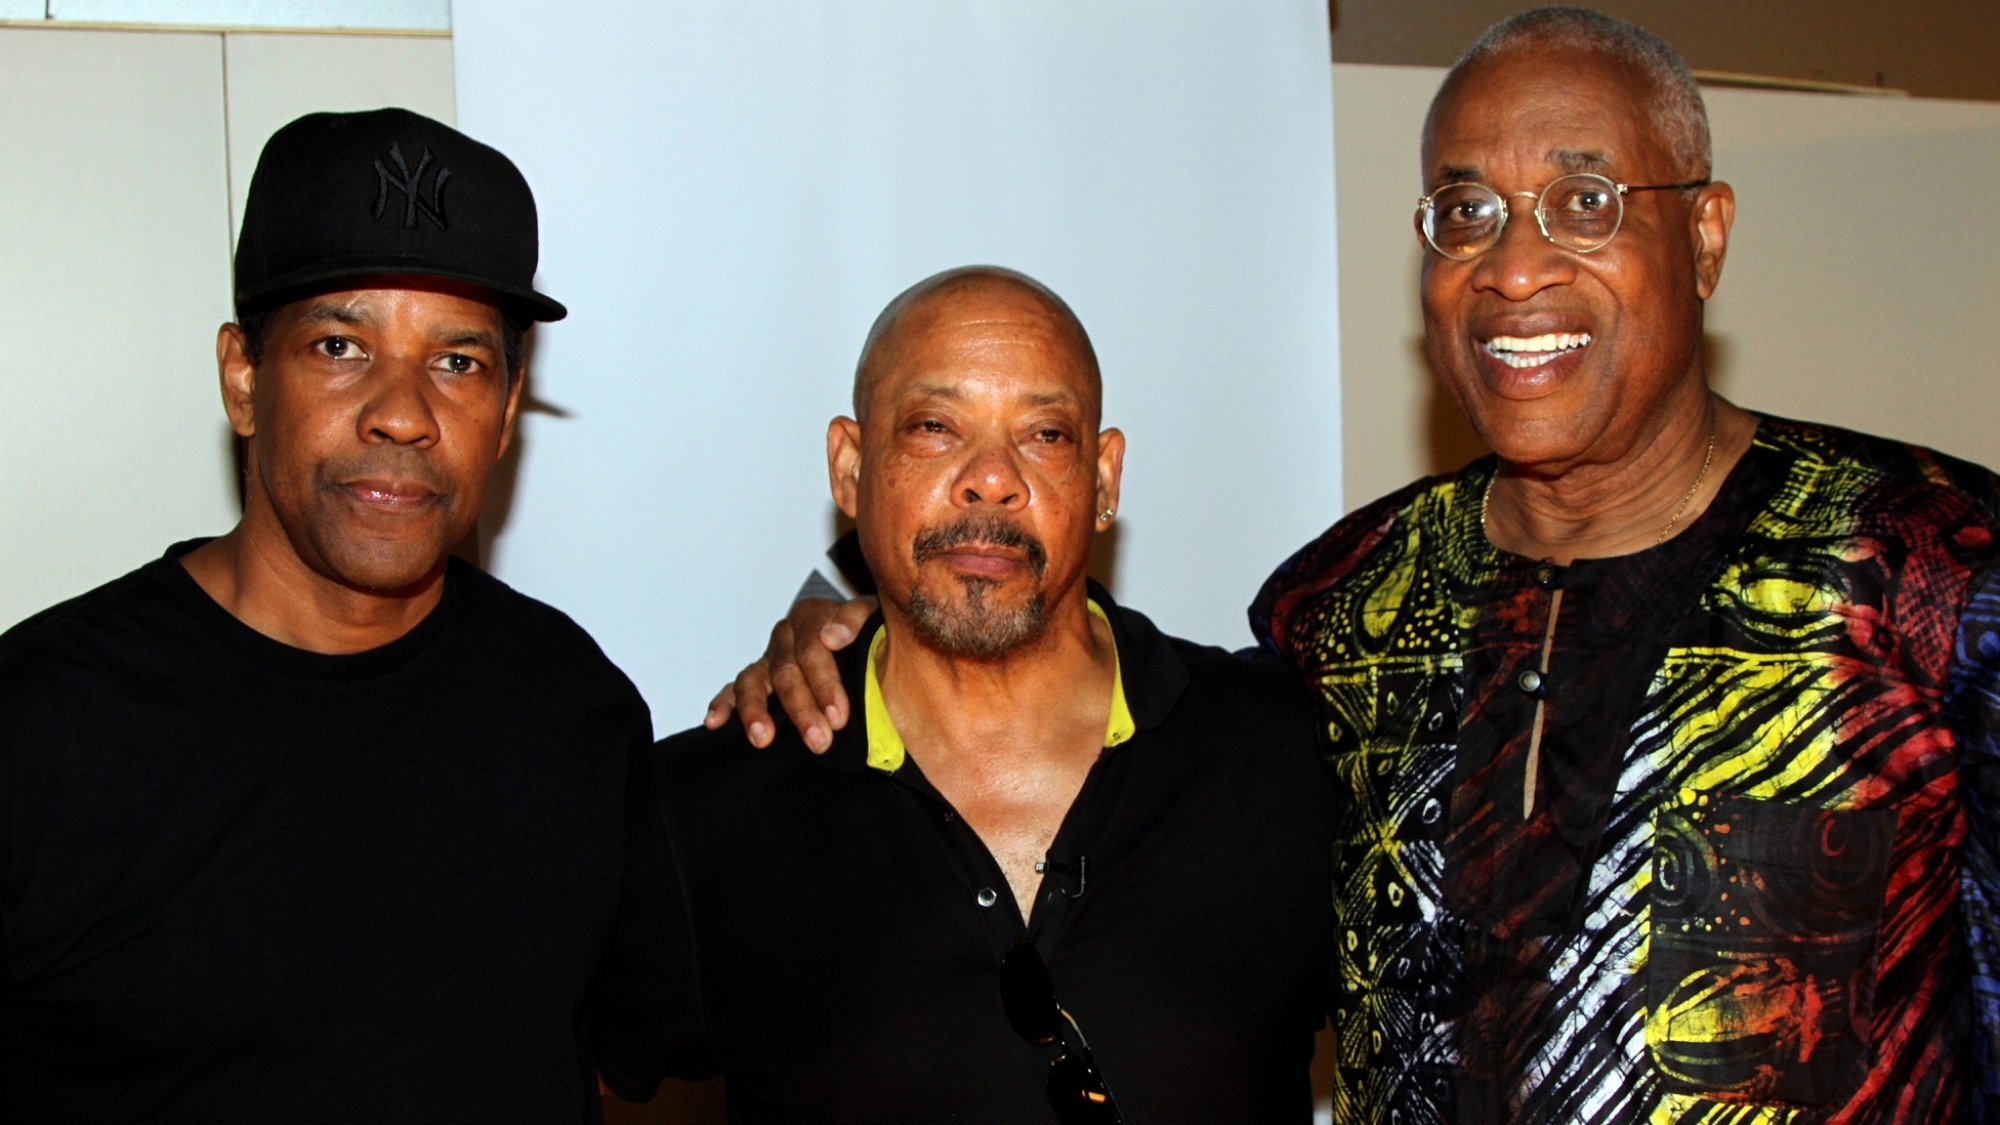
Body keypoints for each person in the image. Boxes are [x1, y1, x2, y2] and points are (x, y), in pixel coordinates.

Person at [714, 9, 2000, 1122]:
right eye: (1464, 212)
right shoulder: (1342, 609)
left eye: (1584, 201)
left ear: (1705, 234)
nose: (1513, 264)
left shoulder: (1934, 570)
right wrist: (842, 627)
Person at [0, 109, 652, 1122]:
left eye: (458, 361)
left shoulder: (574, 708)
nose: (402, 412)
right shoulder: (40, 726)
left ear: (508, 407)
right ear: (244, 378)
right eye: (341, 344)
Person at [589, 266, 1335, 1123]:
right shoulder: (705, 810)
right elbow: (517, 1068)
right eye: (935, 427)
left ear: (1104, 479)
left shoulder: (1291, 755)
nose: (991, 477)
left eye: (1045, 434)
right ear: (850, 466)